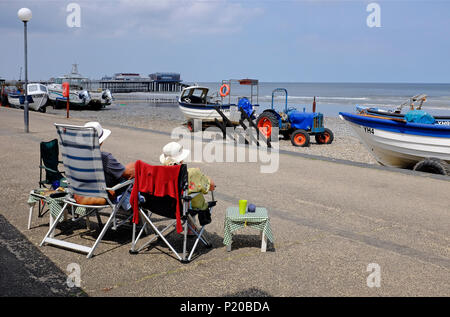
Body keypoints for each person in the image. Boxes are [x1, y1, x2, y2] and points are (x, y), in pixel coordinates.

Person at [73, 122, 135, 205]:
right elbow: (127, 174)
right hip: (104, 192)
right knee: (132, 175)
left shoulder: (75, 155)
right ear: (101, 142)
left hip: (82, 189)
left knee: (129, 167)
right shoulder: (105, 158)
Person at [159, 142, 215, 211]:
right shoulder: (190, 174)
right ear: (181, 160)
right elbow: (212, 186)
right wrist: (200, 175)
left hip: (162, 208)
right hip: (184, 209)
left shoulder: (158, 174)